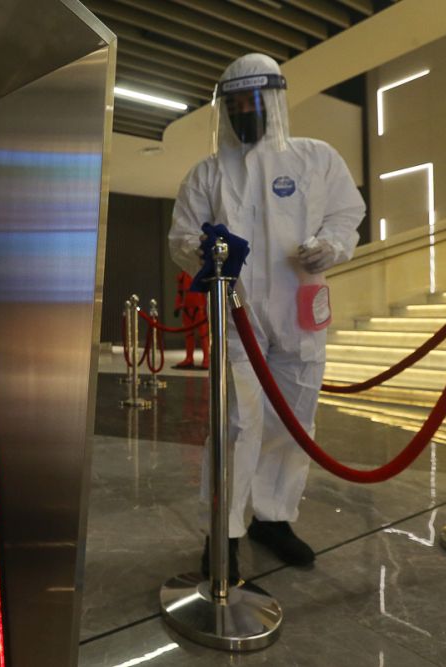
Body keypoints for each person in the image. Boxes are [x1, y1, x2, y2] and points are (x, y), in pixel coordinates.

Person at [168, 53, 365, 575]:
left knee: (294, 415)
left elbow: (348, 214)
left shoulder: (316, 159)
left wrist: (331, 245)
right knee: (236, 423)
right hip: (238, 316)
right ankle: (225, 530)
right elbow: (180, 237)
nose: (242, 112)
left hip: (300, 311)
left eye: (251, 102)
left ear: (273, 101)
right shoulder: (207, 174)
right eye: (232, 104)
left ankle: (274, 517)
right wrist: (203, 249)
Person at [173, 269, 209, 369]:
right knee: (188, 334)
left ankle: (206, 359)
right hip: (187, 308)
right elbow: (180, 292)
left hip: (199, 307)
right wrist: (177, 307)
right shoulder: (184, 275)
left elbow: (206, 292)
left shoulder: (199, 272)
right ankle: (189, 358)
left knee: (203, 334)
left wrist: (207, 308)